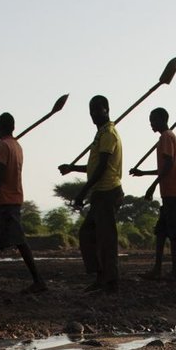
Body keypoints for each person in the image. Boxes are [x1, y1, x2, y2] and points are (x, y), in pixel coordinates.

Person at [0, 112, 45, 293]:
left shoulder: (3, 146)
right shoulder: (16, 146)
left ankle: (38, 281)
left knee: (20, 241)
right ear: (12, 128)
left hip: (6, 202)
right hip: (9, 199)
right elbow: (4, 176)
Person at [59, 96, 124, 292]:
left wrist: (82, 192)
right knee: (90, 235)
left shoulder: (108, 134)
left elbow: (103, 167)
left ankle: (110, 282)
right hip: (100, 193)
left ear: (107, 109)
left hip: (108, 192)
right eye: (91, 111)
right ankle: (101, 277)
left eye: (98, 110)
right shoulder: (101, 134)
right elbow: (94, 165)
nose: (94, 115)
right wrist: (72, 168)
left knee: (106, 239)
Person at [129, 106, 176, 283]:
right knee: (161, 231)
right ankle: (158, 269)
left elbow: (169, 165)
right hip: (169, 192)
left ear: (162, 119)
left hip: (175, 191)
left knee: (174, 234)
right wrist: (143, 173)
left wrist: (153, 185)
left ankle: (175, 273)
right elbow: (164, 167)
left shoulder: (166, 137)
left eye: (153, 120)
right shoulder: (166, 137)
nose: (151, 124)